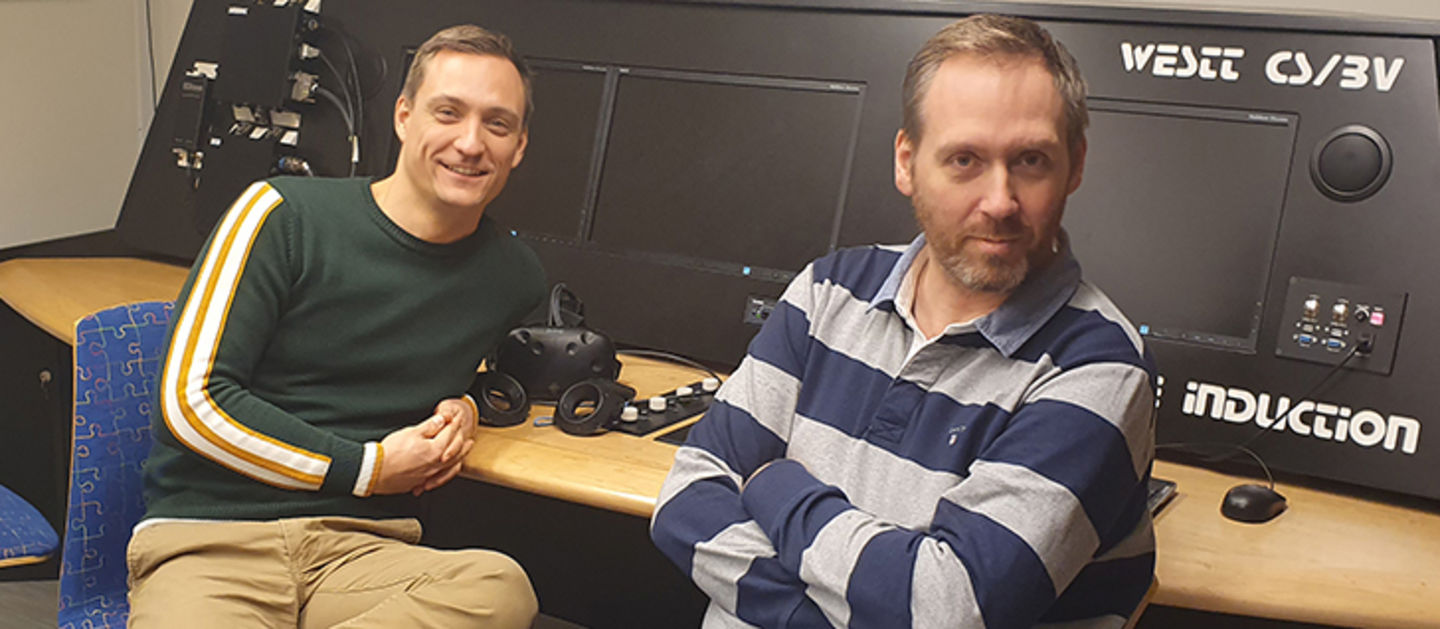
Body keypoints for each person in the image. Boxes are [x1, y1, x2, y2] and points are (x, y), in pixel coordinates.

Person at [650, 14, 1156, 629]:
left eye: (1030, 160)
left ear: (1074, 166)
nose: (999, 200)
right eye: (964, 159)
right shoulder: (829, 290)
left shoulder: (1100, 368)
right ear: (907, 163)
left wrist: (773, 483)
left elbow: (942, 610)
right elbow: (686, 499)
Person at [129, 24, 546, 628]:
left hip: (361, 551)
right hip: (214, 542)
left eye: (497, 124)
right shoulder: (281, 214)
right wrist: (367, 467)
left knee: (499, 588)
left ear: (520, 145)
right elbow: (191, 402)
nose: (471, 142)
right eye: (447, 113)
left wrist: (471, 403)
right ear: (404, 116)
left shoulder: (513, 277)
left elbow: (459, 358)